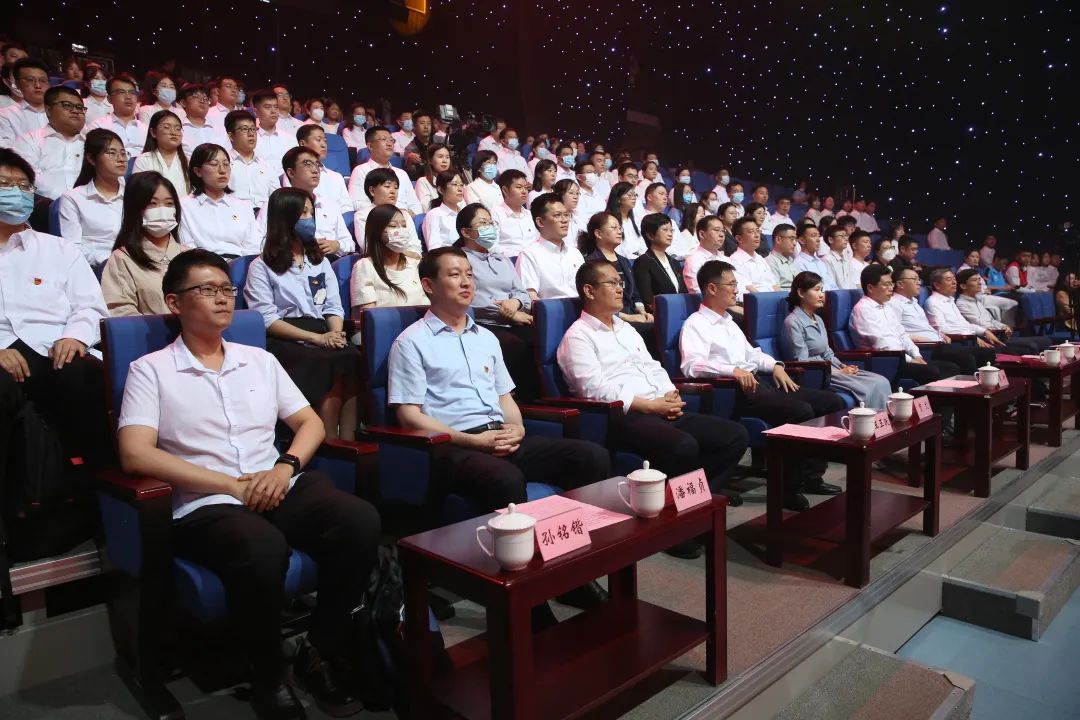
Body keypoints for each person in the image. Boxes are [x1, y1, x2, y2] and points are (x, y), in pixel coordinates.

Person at [118, 247, 379, 719]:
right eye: (207, 289)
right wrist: (231, 486)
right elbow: (135, 453)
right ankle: (268, 676)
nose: (222, 298)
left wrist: (285, 467)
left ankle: (319, 648)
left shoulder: (258, 360)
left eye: (227, 289)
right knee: (262, 548)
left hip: (277, 481)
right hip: (206, 501)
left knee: (359, 520)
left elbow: (309, 423)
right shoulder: (150, 370)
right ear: (175, 303)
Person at [390, 246, 611, 512]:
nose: (466, 282)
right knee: (505, 479)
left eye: (469, 275)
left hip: (499, 437)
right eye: (455, 275)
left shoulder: (486, 338)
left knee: (591, 456)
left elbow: (504, 397)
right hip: (454, 447)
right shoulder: (411, 342)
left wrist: (517, 429)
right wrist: (470, 440)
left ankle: (582, 531)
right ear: (428, 285)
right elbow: (409, 415)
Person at [558, 259, 749, 540]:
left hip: (659, 405)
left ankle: (691, 506)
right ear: (589, 290)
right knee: (682, 446)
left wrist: (669, 393)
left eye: (620, 282)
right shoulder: (578, 337)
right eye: (612, 283)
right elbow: (593, 389)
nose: (620, 289)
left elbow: (652, 367)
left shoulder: (625, 328)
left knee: (734, 435)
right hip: (624, 416)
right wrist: (650, 405)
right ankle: (682, 526)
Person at [681, 260, 844, 510]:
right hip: (734, 391)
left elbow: (753, 354)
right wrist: (732, 371)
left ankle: (812, 476)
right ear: (712, 288)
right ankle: (786, 489)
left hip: (759, 382)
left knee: (831, 401)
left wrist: (775, 365)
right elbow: (692, 366)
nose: (737, 290)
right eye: (732, 284)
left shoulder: (729, 322)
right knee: (800, 411)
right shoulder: (696, 323)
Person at [0, 147, 112, 496]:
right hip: (3, 352)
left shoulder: (59, 249)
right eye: (5, 184)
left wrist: (75, 337)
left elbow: (90, 306)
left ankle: (103, 496)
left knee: (89, 377)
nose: (16, 193)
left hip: (54, 346)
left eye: (24, 186)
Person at [245, 188, 360, 441]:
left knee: (351, 356)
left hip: (322, 331)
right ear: (285, 218)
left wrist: (335, 333)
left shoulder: (320, 261)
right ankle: (327, 441)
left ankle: (349, 440)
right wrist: (317, 339)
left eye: (311, 213)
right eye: (303, 213)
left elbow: (333, 306)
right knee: (324, 360)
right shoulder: (261, 266)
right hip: (287, 337)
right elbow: (267, 319)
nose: (309, 219)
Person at [454, 203, 539, 401]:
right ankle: (516, 400)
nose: (489, 227)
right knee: (514, 345)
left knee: (541, 337)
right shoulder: (460, 260)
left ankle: (543, 399)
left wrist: (516, 303)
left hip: (514, 319)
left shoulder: (501, 258)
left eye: (491, 223)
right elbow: (469, 299)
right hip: (483, 322)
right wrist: (507, 313)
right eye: (483, 223)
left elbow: (521, 292)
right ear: (466, 232)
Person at [782, 272, 892, 410]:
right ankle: (868, 420)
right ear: (801, 293)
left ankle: (883, 420)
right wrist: (837, 372)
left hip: (832, 369)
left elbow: (827, 352)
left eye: (822, 290)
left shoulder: (818, 319)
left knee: (881, 381)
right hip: (818, 374)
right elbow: (802, 361)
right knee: (870, 387)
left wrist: (841, 366)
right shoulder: (792, 322)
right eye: (816, 290)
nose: (821, 295)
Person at [101, 171, 193, 315]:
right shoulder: (122, 259)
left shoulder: (190, 256)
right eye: (152, 203)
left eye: (169, 204)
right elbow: (120, 312)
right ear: (136, 209)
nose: (162, 210)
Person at [849, 265, 961, 385]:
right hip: (884, 361)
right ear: (870, 288)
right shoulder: (863, 309)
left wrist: (916, 355)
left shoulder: (886, 307)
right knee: (931, 371)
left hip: (901, 357)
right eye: (886, 284)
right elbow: (881, 344)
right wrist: (910, 359)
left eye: (891, 284)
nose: (891, 288)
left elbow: (902, 334)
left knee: (950, 368)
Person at [57, 128, 127, 267]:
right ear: (91, 159)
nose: (121, 159)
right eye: (112, 153)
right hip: (94, 268)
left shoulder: (133, 193)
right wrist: (108, 261)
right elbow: (73, 247)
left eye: (123, 153)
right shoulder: (73, 198)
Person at [179, 143, 262, 258]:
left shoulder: (243, 206)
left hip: (240, 264)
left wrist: (239, 265)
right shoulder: (184, 205)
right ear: (198, 171)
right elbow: (188, 247)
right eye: (214, 164)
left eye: (226, 164)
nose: (222, 170)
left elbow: (253, 247)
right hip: (203, 264)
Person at [270, 146, 354, 255]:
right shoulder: (277, 204)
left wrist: (337, 245)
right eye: (307, 164)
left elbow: (350, 243)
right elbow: (262, 243)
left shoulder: (330, 205)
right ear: (291, 173)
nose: (315, 170)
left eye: (317, 164)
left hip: (330, 259)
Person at [923, 268, 1018, 363]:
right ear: (937, 285)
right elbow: (941, 329)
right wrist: (973, 335)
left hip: (968, 339)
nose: (954, 282)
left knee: (1007, 351)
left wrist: (984, 331)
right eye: (949, 279)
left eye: (954, 279)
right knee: (994, 353)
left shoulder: (950, 301)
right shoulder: (933, 302)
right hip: (953, 344)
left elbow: (964, 324)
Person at [11, 84, 86, 201]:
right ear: (49, 110)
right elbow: (28, 177)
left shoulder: (92, 143)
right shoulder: (29, 141)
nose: (75, 111)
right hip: (43, 204)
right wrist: (65, 201)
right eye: (67, 105)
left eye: (80, 107)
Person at [351, 203, 427, 315]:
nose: (401, 230)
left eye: (404, 226)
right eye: (393, 226)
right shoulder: (365, 266)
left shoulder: (417, 264)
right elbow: (369, 318)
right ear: (377, 231)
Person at [579, 211, 652, 326]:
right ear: (598, 233)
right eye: (614, 228)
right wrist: (628, 317)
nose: (619, 231)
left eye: (620, 228)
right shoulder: (590, 263)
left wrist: (643, 313)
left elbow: (635, 294)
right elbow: (596, 302)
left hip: (632, 314)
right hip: (608, 319)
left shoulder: (624, 261)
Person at [955, 269, 1051, 353]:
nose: (979, 283)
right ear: (963, 286)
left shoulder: (977, 301)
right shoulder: (961, 304)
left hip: (998, 334)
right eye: (974, 280)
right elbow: (980, 324)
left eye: (979, 279)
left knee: (1046, 341)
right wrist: (1000, 329)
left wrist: (1004, 326)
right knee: (1030, 347)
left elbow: (991, 320)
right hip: (987, 340)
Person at [517, 193, 585, 301]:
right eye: (557, 215)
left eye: (566, 215)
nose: (564, 220)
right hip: (550, 309)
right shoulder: (529, 255)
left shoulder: (575, 253)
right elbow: (530, 296)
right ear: (540, 222)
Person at [347, 125, 421, 214]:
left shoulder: (402, 173)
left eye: (391, 140)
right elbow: (356, 203)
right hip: (378, 218)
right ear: (370, 146)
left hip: (405, 219)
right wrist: (393, 213)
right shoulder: (361, 171)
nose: (389, 144)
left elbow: (415, 204)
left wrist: (411, 214)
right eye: (383, 139)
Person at [353, 167, 421, 255]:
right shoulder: (362, 216)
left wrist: (411, 255)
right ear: (372, 191)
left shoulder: (404, 214)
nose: (393, 191)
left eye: (396, 187)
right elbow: (368, 247)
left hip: (409, 260)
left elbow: (415, 248)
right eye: (387, 186)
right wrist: (402, 253)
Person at [224, 109, 278, 214]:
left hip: (265, 217)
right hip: (235, 216)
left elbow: (276, 197)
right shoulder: (224, 164)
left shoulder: (266, 165)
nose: (251, 134)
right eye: (244, 129)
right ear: (231, 136)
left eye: (253, 129)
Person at [633, 212, 687, 310]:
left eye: (671, 230)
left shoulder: (675, 262)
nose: (670, 234)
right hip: (659, 313)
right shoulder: (643, 262)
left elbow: (684, 293)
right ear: (650, 235)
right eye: (665, 230)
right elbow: (647, 298)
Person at [87, 73, 148, 156]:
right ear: (109, 99)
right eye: (121, 92)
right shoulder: (98, 126)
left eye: (132, 93)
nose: (128, 97)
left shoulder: (146, 129)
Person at [293, 124, 352, 211]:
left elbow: (347, 208)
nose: (324, 145)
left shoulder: (336, 177)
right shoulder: (295, 174)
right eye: (318, 140)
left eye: (325, 141)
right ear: (302, 144)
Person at [131, 109, 190, 195]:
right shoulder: (144, 160)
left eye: (178, 129)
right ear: (153, 132)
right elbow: (138, 192)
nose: (173, 132)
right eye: (166, 127)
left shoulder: (188, 161)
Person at [0, 58, 50, 146]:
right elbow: (6, 149)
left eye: (43, 81)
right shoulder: (5, 116)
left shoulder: (61, 111)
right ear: (17, 84)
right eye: (30, 80)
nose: (38, 85)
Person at [728, 216, 779, 300]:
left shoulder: (761, 259)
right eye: (751, 231)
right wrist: (767, 301)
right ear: (739, 238)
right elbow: (749, 288)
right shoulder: (735, 260)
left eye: (757, 231)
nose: (757, 235)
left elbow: (774, 285)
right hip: (758, 302)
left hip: (772, 300)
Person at [491, 168, 537, 258]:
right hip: (510, 260)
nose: (524, 191)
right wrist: (520, 257)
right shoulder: (495, 214)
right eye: (519, 187)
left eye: (526, 188)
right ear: (505, 190)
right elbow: (493, 246)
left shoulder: (529, 214)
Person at [250, 88, 297, 170]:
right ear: (256, 111)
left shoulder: (290, 139)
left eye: (276, 107)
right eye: (267, 107)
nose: (273, 111)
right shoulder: (250, 139)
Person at [177, 83, 228, 158]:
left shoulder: (220, 128)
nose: (202, 101)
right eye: (196, 97)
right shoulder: (179, 130)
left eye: (205, 98)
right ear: (183, 103)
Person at [421, 170, 465, 250]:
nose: (460, 189)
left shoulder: (465, 214)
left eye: (461, 185)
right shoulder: (434, 215)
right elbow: (434, 249)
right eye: (454, 184)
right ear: (440, 190)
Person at [607, 181, 646, 260]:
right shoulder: (610, 220)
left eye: (635, 195)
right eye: (629, 195)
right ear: (618, 199)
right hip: (623, 260)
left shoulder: (635, 219)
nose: (634, 198)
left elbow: (641, 243)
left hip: (638, 259)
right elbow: (617, 249)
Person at [414, 142, 457, 211]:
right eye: (440, 156)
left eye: (447, 157)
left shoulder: (456, 181)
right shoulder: (423, 182)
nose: (444, 161)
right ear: (430, 160)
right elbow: (426, 208)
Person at [793, 223, 836, 290]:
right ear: (802, 240)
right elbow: (807, 289)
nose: (818, 239)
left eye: (818, 236)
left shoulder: (821, 262)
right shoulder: (798, 263)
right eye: (813, 236)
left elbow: (832, 285)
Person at [821, 224, 859, 289]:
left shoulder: (847, 259)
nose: (846, 239)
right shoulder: (826, 260)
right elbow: (830, 285)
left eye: (846, 235)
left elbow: (851, 282)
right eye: (842, 236)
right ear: (830, 240)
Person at [765, 223, 799, 291]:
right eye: (791, 239)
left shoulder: (792, 260)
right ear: (778, 240)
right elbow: (776, 291)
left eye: (795, 239)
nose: (795, 243)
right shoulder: (770, 262)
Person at [401, 110, 434, 179]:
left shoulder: (438, 142)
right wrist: (409, 162)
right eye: (422, 123)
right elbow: (411, 175)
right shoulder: (410, 148)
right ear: (414, 126)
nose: (426, 127)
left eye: (429, 123)